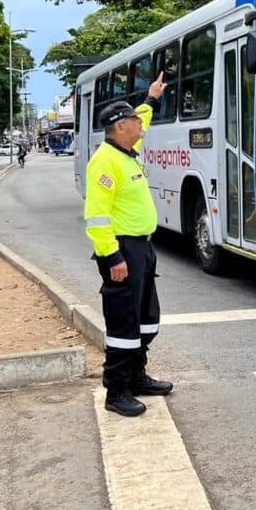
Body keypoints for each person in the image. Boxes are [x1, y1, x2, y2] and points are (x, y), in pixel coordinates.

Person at [84, 72, 172, 417]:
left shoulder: (128, 150)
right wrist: (113, 255)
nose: (141, 125)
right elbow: (96, 215)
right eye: (134, 120)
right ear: (120, 127)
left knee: (146, 318)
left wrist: (151, 99)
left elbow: (143, 119)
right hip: (121, 250)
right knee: (123, 322)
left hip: (142, 249)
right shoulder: (104, 162)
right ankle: (116, 391)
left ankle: (136, 376)